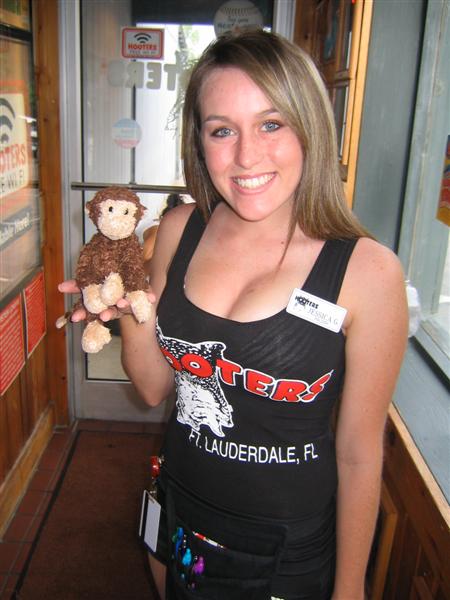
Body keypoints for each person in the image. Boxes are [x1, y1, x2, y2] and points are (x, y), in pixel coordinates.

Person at [60, 30, 408, 600]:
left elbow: (358, 451)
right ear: (200, 142)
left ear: (310, 128)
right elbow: (152, 389)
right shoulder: (179, 231)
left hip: (285, 552)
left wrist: (349, 588)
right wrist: (128, 309)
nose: (247, 156)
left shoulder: (368, 273)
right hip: (179, 513)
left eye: (272, 124)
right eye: (222, 130)